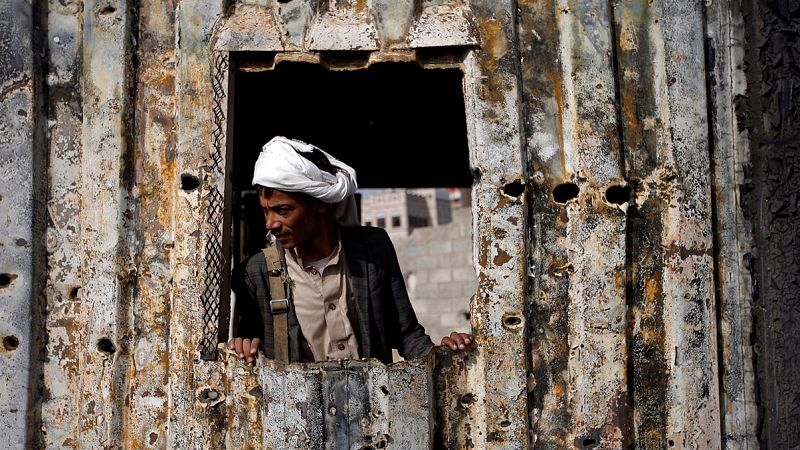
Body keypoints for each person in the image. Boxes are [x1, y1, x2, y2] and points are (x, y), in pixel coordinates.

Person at [228, 136, 472, 364]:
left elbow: (406, 334)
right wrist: (244, 347)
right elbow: (252, 349)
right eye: (265, 211)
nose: (270, 224)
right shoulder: (256, 272)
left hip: (375, 395)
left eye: (282, 210)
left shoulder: (371, 250)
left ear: (320, 203)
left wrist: (445, 356)